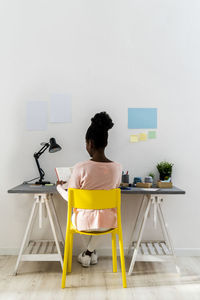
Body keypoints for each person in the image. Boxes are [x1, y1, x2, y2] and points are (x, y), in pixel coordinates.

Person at [57, 112, 122, 267]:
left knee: (81, 214)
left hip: (83, 223)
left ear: (90, 143)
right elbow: (115, 188)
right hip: (109, 223)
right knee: (101, 217)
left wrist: (59, 187)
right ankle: (90, 253)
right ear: (105, 143)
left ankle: (87, 254)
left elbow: (71, 199)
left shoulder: (80, 167)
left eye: (85, 143)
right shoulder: (117, 168)